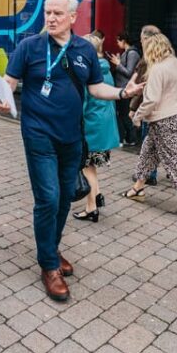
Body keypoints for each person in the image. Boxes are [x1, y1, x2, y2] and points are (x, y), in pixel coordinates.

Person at [0, 0, 143, 302]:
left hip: (72, 137)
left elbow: (95, 88)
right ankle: (48, 265)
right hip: (38, 135)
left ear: (74, 17)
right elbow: (9, 81)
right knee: (47, 198)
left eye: (58, 13)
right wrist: (2, 97)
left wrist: (122, 92)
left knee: (64, 199)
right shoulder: (29, 47)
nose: (50, 18)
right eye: (47, 12)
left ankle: (51, 248)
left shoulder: (84, 50)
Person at [120, 33, 177, 220]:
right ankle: (137, 188)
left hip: (162, 120)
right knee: (148, 152)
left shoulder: (157, 69)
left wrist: (137, 116)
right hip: (175, 116)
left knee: (174, 160)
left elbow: (151, 99)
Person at [73, 34, 120, 222]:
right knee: (91, 166)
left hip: (92, 127)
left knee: (86, 167)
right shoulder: (105, 68)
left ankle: (91, 207)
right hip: (104, 127)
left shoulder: (88, 71)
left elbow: (82, 103)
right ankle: (97, 196)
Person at [128, 25, 163, 185]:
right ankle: (149, 175)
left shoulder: (149, 58)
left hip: (151, 108)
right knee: (155, 143)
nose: (141, 43)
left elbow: (142, 87)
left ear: (148, 39)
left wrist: (133, 109)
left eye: (142, 39)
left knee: (148, 142)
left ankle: (147, 175)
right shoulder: (166, 55)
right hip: (165, 108)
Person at [107, 32, 140, 146]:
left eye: (118, 41)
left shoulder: (132, 54)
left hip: (126, 88)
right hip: (121, 87)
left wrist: (118, 63)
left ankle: (131, 138)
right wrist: (118, 62)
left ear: (124, 41)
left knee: (124, 115)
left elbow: (128, 72)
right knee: (122, 114)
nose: (117, 43)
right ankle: (127, 137)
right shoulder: (127, 53)